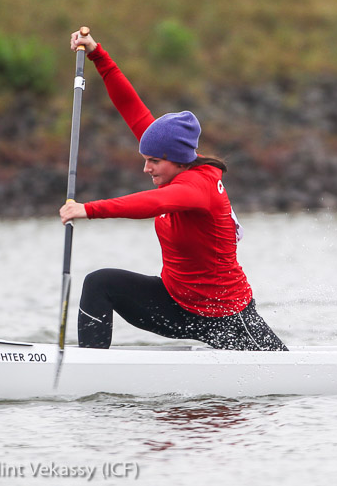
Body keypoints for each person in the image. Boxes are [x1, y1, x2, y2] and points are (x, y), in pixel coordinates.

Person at [59, 29, 288, 352]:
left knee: (279, 374)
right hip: (174, 305)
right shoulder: (170, 153)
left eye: (153, 162)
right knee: (100, 283)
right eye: (145, 159)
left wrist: (89, 209)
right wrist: (97, 54)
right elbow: (131, 106)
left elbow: (154, 203)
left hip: (225, 315)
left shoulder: (199, 186)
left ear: (178, 161)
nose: (146, 168)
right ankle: (90, 368)